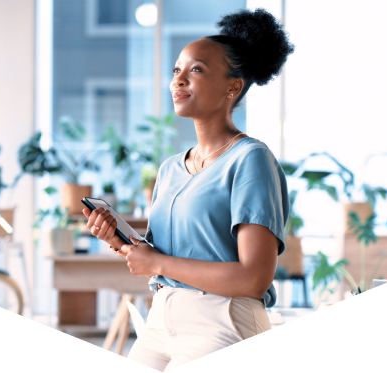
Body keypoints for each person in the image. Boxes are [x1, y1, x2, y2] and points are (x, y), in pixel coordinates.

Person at [82, 8, 294, 371]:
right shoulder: (169, 170)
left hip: (221, 321)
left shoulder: (250, 160)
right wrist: (123, 244)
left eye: (196, 69)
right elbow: (166, 260)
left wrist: (158, 262)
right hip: (162, 317)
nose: (179, 80)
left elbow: (254, 278)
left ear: (233, 87)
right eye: (177, 70)